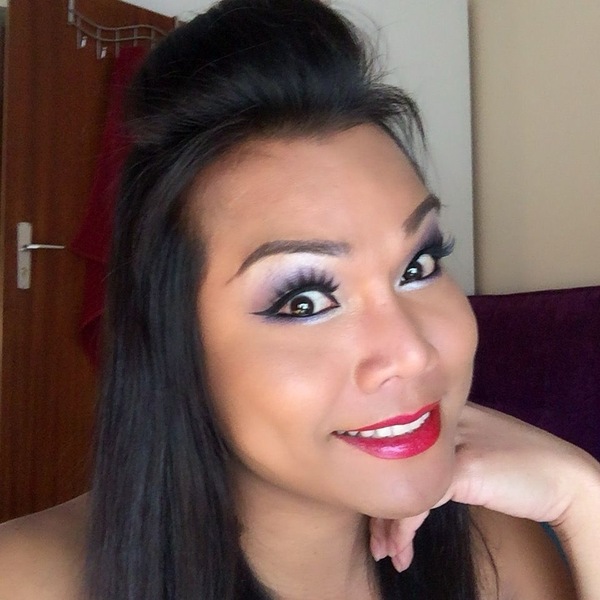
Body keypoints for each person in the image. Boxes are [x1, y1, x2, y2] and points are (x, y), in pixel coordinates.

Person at [0, 0, 599, 598]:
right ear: (173, 344)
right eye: (305, 301)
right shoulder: (26, 580)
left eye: (417, 266)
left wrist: (582, 498)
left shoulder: (493, 548)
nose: (413, 353)